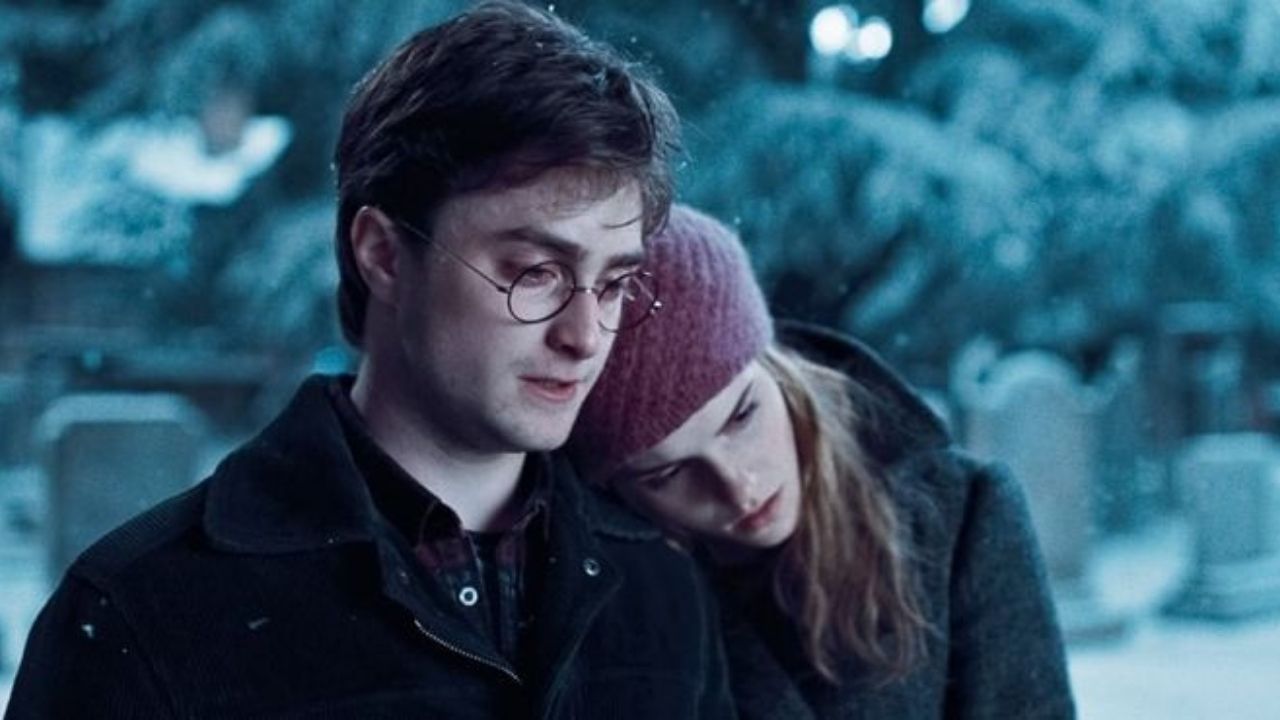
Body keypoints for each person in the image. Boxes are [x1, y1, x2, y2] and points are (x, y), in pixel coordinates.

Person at [4, 5, 737, 718]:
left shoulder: (664, 593)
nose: (586, 335)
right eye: (534, 273)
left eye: (613, 285)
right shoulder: (143, 616)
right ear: (383, 254)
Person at [569, 205, 1076, 719]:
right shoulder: (602, 601)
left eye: (742, 416)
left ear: (779, 371)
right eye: (668, 474)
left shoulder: (963, 518)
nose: (739, 487)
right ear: (613, 493)